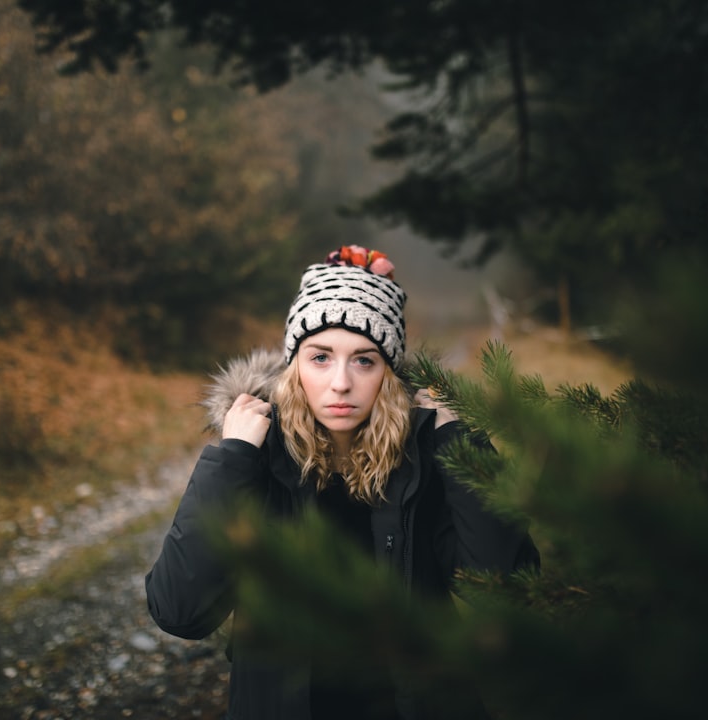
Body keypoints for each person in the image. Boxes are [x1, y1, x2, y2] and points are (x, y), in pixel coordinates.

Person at [145, 245, 539, 720]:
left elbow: (508, 588)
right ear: (294, 367)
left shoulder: (422, 460)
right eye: (320, 357)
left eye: (364, 360)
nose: (340, 383)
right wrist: (232, 458)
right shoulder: (256, 464)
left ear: (388, 374)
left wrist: (460, 441)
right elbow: (180, 612)